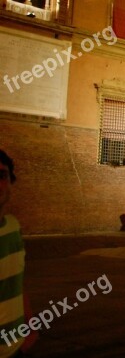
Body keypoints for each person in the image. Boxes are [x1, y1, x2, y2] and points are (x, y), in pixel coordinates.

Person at [0, 150, 37, 354]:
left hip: (17, 347)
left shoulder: (13, 228)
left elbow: (17, 282)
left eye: (2, 175)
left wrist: (29, 325)